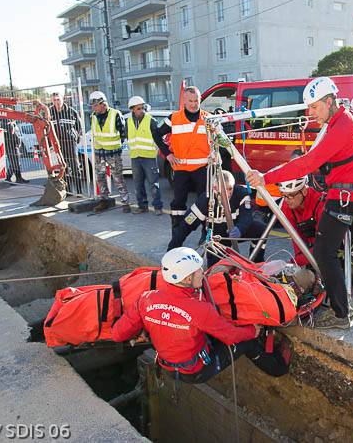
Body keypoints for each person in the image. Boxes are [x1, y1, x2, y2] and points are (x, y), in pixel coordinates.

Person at [246, 77, 353, 330]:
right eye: (309, 108)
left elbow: (307, 163)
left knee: (324, 252)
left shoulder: (340, 128)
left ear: (329, 101)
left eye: (314, 107)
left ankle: (340, 314)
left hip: (343, 199)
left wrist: (265, 177)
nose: (311, 114)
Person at [111, 247, 289, 384]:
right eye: (198, 270)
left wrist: (146, 326)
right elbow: (230, 336)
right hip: (196, 371)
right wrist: (252, 330)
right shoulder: (199, 309)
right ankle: (278, 368)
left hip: (168, 366)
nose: (202, 273)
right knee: (247, 342)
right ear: (187, 279)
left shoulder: (146, 299)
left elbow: (118, 334)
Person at [168, 170, 265, 264]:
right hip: (216, 238)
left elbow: (246, 217)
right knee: (216, 273)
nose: (227, 193)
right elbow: (185, 227)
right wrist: (170, 254)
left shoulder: (241, 193)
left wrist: (240, 228)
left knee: (261, 229)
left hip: (236, 231)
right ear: (214, 188)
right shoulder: (205, 200)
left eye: (230, 188)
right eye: (223, 189)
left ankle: (257, 262)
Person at [153, 86, 210, 233]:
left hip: (202, 169)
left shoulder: (208, 119)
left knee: (205, 202)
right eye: (190, 100)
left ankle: (206, 233)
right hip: (180, 170)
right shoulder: (174, 118)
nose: (193, 104)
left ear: (200, 99)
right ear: (184, 101)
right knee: (178, 203)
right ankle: (177, 233)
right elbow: (156, 133)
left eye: (196, 100)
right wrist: (167, 153)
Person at [89, 90, 130, 213]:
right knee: (100, 178)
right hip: (99, 153)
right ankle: (104, 201)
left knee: (118, 178)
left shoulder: (115, 114)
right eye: (92, 106)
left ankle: (125, 202)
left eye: (95, 105)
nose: (93, 108)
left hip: (113, 153)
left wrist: (115, 147)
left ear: (102, 103)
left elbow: (123, 133)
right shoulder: (93, 117)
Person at [127, 95, 163, 216]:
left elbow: (158, 138)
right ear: (132, 109)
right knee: (138, 183)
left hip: (149, 157)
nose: (141, 110)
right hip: (135, 157)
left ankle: (157, 207)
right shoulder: (128, 121)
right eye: (138, 108)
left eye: (142, 108)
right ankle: (142, 206)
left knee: (153, 184)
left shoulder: (150, 120)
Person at [48, 92, 83, 194]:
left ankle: (79, 191)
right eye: (54, 100)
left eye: (58, 99)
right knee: (63, 169)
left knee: (75, 167)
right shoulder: (49, 113)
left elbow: (79, 127)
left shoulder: (71, 112)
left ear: (62, 99)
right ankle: (67, 191)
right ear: (52, 101)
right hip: (57, 145)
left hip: (70, 144)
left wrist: (75, 136)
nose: (56, 102)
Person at [1, 119, 29, 183]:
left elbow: (17, 135)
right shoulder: (7, 125)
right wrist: (17, 142)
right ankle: (15, 178)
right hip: (11, 146)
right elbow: (12, 134)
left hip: (14, 146)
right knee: (15, 163)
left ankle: (11, 178)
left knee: (14, 163)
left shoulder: (12, 124)